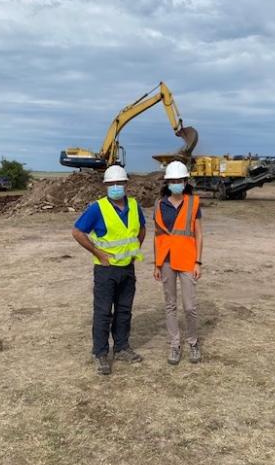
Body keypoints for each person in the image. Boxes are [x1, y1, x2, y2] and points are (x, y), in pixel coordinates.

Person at [72, 165, 146, 375]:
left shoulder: (134, 205)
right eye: (112, 184)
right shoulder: (98, 208)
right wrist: (98, 253)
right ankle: (100, 353)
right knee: (104, 313)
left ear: (125, 184)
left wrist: (135, 249)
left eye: (120, 183)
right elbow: (77, 232)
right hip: (106, 271)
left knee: (124, 311)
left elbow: (141, 229)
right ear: (106, 186)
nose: (116, 187)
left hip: (127, 269)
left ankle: (122, 347)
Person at [152, 160, 203, 365]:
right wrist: (156, 264)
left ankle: (193, 341)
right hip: (166, 261)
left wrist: (198, 261)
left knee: (190, 306)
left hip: (188, 259)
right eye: (172, 180)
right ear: (167, 182)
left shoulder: (193, 203)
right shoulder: (159, 204)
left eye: (179, 180)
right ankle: (174, 344)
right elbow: (157, 236)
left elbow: (199, 234)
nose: (176, 183)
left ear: (185, 181)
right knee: (170, 305)